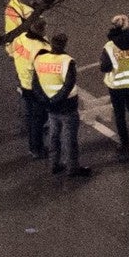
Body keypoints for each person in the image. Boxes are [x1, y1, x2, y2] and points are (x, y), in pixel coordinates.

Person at [99, 17, 129, 158]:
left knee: (120, 116)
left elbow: (105, 67)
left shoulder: (109, 46)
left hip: (116, 87)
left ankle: (125, 145)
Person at [34, 32, 80, 177]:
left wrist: (46, 100)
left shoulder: (40, 59)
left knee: (54, 136)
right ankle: (72, 168)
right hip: (67, 106)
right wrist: (56, 100)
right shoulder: (67, 61)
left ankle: (54, 164)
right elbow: (68, 85)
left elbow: (35, 84)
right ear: (64, 44)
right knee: (69, 138)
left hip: (50, 107)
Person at [7, 16, 47, 158]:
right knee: (39, 118)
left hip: (24, 84)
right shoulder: (41, 47)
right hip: (37, 87)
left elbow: (10, 52)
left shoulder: (20, 39)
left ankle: (33, 147)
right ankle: (37, 149)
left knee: (31, 118)